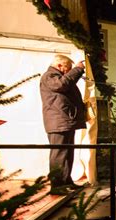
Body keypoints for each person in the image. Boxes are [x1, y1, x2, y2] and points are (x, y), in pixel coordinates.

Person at [40, 54, 86, 189]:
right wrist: (77, 70)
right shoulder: (49, 76)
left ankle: (66, 181)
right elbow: (62, 85)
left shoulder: (57, 77)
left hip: (64, 120)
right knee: (59, 154)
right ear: (60, 66)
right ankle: (57, 185)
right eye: (68, 68)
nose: (69, 70)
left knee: (67, 153)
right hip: (58, 121)